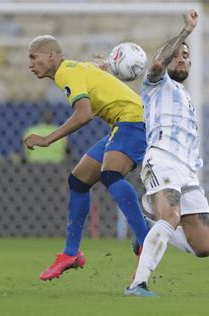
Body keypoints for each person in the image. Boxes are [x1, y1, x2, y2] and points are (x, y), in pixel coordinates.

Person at [24, 35, 149, 281]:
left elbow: (84, 115)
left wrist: (48, 139)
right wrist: (102, 67)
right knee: (78, 180)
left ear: (51, 56)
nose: (30, 64)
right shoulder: (72, 68)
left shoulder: (65, 73)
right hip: (122, 123)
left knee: (110, 173)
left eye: (33, 57)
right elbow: (91, 71)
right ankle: (71, 254)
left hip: (134, 120)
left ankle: (147, 241)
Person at [124, 10, 209, 297]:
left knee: (204, 247)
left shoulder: (186, 97)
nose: (181, 58)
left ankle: (150, 226)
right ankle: (138, 284)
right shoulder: (156, 84)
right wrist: (185, 32)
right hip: (161, 158)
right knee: (171, 215)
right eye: (176, 54)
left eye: (185, 55)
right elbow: (158, 62)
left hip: (188, 170)